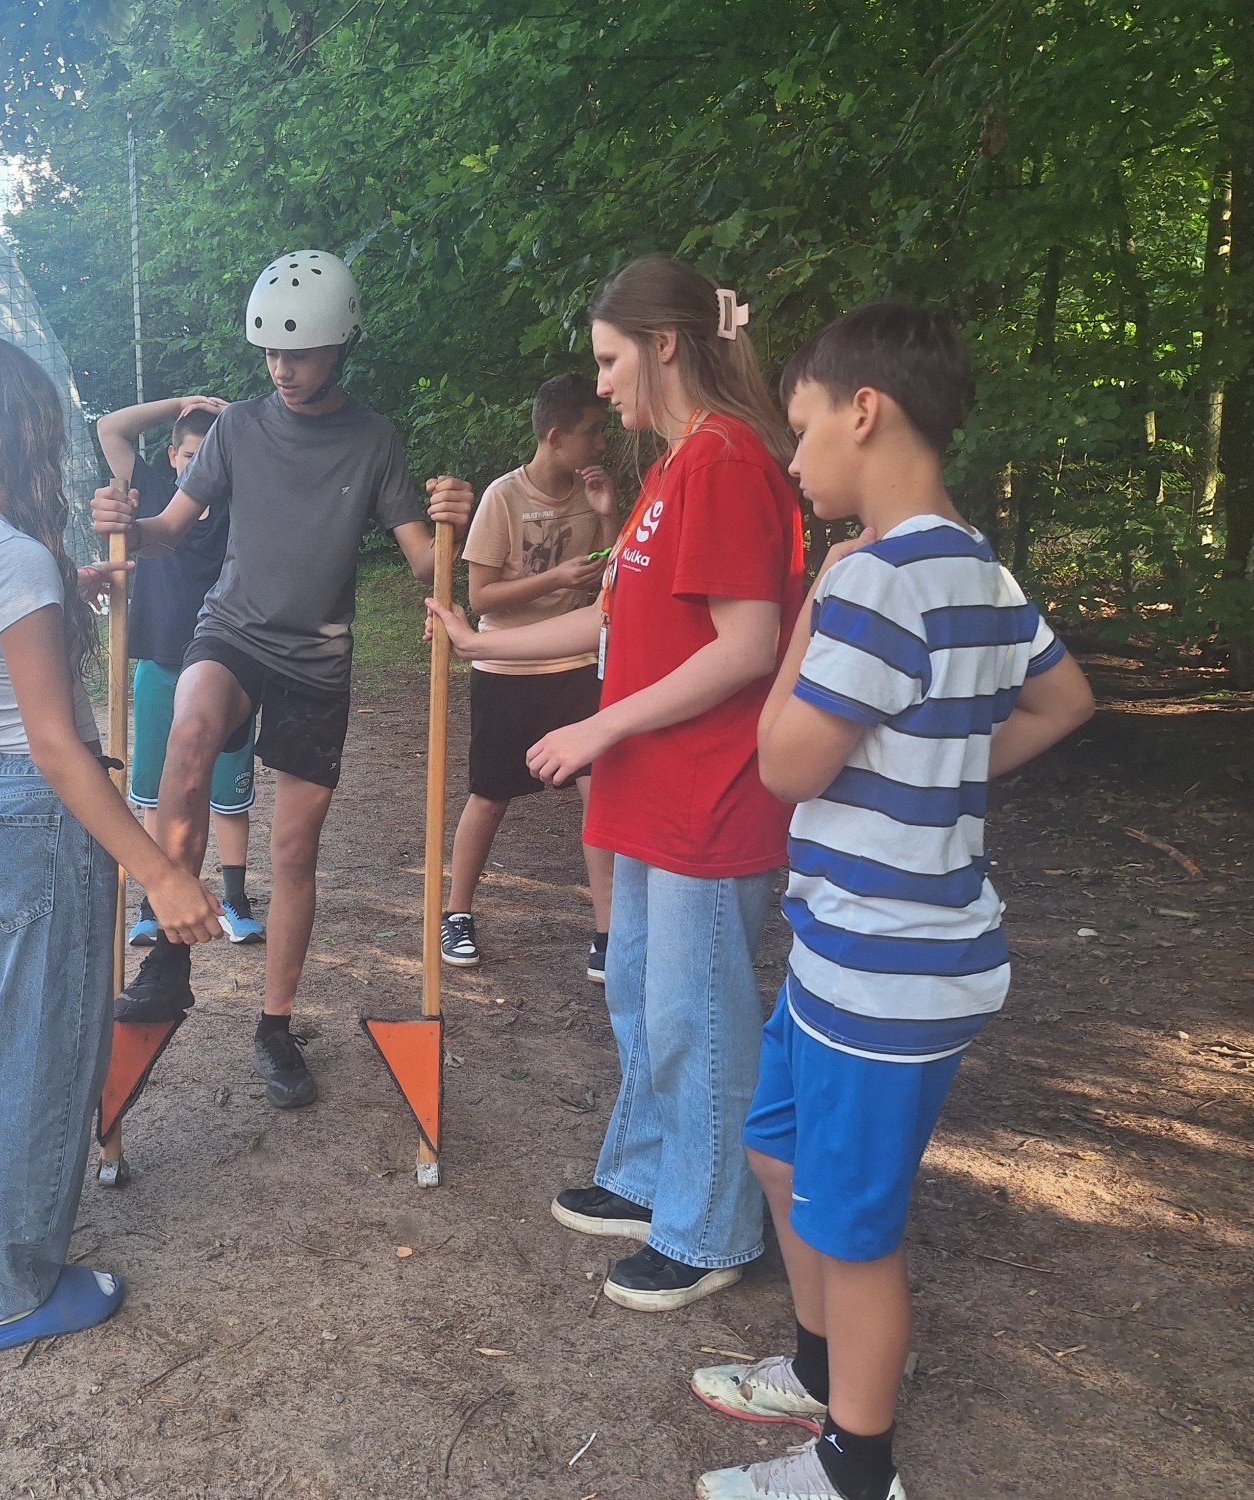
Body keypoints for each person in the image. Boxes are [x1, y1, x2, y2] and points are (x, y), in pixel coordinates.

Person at [690, 303, 1095, 1500]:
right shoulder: (976, 566)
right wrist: (943, 772)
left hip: (884, 966)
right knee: (776, 1151)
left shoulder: (872, 576)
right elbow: (1063, 699)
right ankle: (817, 1375)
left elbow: (782, 765)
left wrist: (810, 613)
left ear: (862, 412)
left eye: (802, 429)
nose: (793, 460)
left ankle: (853, 1471)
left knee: (853, 1232)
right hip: (851, 951)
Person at [427, 255, 802, 1311]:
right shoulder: (673, 467)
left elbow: (747, 645)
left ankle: (712, 1226)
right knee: (642, 995)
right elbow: (610, 620)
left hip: (707, 795)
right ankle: (647, 1177)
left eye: (606, 359)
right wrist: (478, 643)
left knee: (696, 1016)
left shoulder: (725, 460)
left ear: (663, 345)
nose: (596, 385)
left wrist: (598, 725)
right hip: (649, 788)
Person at [92, 249, 473, 1110]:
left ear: (341, 347)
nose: (281, 370)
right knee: (190, 730)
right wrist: (128, 524)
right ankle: (169, 961)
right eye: (270, 353)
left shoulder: (374, 441)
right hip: (232, 630)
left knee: (294, 850)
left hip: (317, 658)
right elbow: (168, 531)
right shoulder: (237, 428)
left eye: (298, 354)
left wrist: (457, 524)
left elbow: (426, 562)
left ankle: (274, 1026)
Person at [0, 336, 222, 1352]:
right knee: (44, 1051)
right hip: (39, 816)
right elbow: (53, 742)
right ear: (21, 430)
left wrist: (62, 589)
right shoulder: (13, 558)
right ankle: (12, 1287)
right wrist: (159, 869)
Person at [440, 372, 618, 981]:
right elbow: (481, 597)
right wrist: (554, 579)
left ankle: (608, 931)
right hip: (506, 664)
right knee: (491, 794)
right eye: (592, 432)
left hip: (577, 665)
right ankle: (457, 912)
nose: (601, 444)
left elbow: (611, 582)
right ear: (556, 436)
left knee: (598, 792)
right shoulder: (503, 496)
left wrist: (608, 517)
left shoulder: (591, 493)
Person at [94, 393, 268, 947]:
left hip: (229, 669)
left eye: (211, 455)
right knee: (153, 792)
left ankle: (235, 899)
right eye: (191, 455)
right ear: (172, 456)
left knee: (228, 795)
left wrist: (237, 426)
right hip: (161, 664)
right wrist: (178, 405)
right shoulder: (153, 494)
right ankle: (156, 899)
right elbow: (110, 428)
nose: (199, 466)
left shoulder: (242, 502)